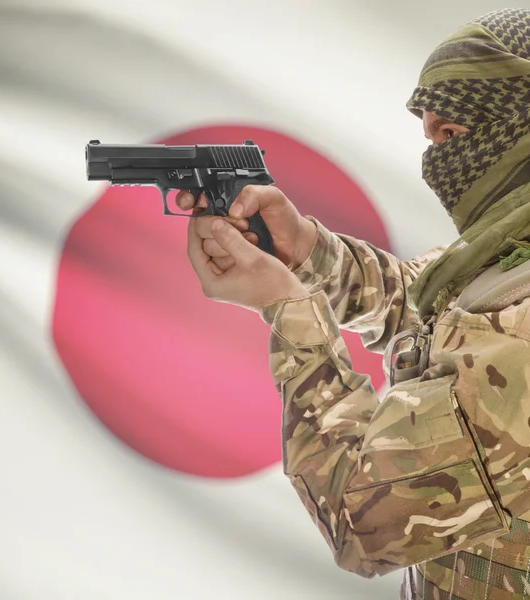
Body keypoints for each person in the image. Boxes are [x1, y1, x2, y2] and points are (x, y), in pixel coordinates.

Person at [176, 8, 530, 599]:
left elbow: (363, 522)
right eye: (430, 134)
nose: (436, 159)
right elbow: (428, 308)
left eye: (454, 133)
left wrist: (289, 310)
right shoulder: (507, 254)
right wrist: (307, 251)